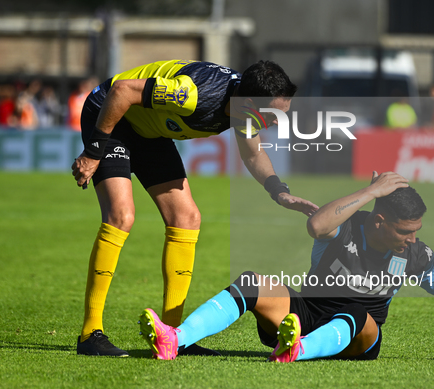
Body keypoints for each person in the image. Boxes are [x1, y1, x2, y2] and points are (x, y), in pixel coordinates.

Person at [71, 59, 318, 357]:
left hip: (149, 130)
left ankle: (173, 337)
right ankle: (90, 333)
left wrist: (279, 192)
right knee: (121, 216)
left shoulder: (244, 107)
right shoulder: (193, 94)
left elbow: (252, 154)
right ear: (250, 103)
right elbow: (122, 91)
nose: (279, 121)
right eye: (274, 113)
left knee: (187, 218)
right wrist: (94, 151)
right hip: (111, 116)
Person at [139, 171, 434, 364]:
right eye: (406, 231)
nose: (413, 239)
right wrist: (369, 192)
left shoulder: (416, 256)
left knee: (357, 311)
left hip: (358, 335)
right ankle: (176, 339)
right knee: (253, 282)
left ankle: (296, 351)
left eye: (417, 231)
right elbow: (315, 225)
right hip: (304, 314)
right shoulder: (348, 226)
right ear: (380, 221)